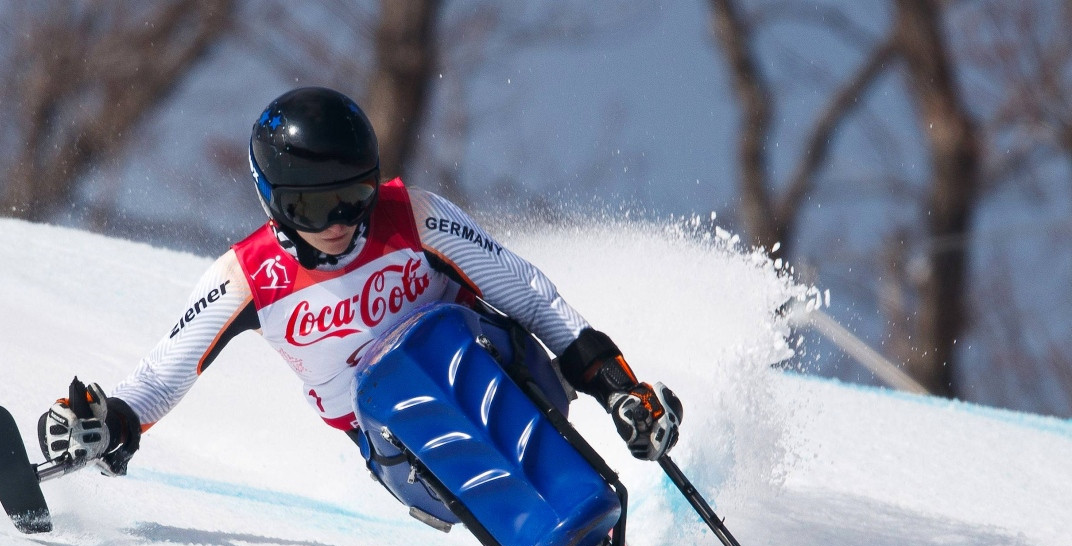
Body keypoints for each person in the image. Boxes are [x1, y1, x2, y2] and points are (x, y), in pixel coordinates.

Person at [37, 86, 682, 506]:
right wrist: (112, 421)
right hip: (405, 451)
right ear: (274, 202)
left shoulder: (415, 217)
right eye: (315, 206)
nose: (343, 219)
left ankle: (584, 503)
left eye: (355, 193)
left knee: (444, 336)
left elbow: (532, 296)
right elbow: (164, 371)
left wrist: (618, 387)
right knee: (394, 374)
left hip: (511, 377)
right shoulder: (247, 277)